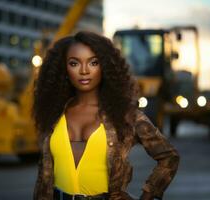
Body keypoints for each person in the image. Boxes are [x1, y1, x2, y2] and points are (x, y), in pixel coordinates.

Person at [32, 31, 180, 200]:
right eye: (74, 63)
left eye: (93, 62)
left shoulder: (125, 116)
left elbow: (169, 158)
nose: (84, 71)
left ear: (105, 67)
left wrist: (146, 196)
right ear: (64, 69)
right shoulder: (53, 114)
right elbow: (43, 178)